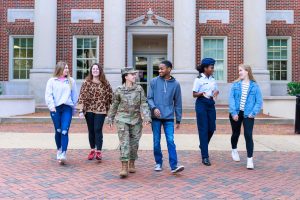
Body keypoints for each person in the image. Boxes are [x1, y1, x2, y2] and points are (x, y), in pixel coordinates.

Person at [107, 67, 151, 178]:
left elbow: (143, 103)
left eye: (135, 74)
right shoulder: (119, 89)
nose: (134, 76)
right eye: (132, 74)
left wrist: (146, 116)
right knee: (124, 142)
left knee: (134, 143)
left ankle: (132, 162)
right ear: (126, 76)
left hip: (136, 119)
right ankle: (124, 166)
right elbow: (114, 104)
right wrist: (110, 117)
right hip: (122, 119)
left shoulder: (139, 89)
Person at [148, 60, 184, 174]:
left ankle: (174, 166)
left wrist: (178, 118)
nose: (160, 71)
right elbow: (149, 98)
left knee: (170, 140)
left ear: (169, 69)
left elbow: (178, 102)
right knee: (156, 141)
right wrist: (154, 108)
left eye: (162, 68)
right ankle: (158, 162)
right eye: (159, 68)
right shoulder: (154, 81)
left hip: (168, 117)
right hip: (156, 117)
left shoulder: (176, 84)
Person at [229, 64, 263, 169]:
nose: (239, 72)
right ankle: (234, 150)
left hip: (249, 114)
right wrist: (234, 113)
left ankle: (250, 160)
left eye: (241, 70)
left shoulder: (255, 86)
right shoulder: (235, 85)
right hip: (236, 112)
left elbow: (259, 101)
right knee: (236, 133)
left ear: (247, 71)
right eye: (239, 71)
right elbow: (231, 100)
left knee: (248, 135)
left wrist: (253, 113)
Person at [77, 63, 113, 161]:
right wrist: (80, 110)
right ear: (91, 71)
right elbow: (81, 96)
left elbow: (111, 97)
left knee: (97, 129)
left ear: (100, 70)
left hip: (101, 109)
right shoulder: (86, 82)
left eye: (97, 69)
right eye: (93, 69)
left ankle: (99, 152)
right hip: (89, 110)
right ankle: (92, 150)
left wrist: (113, 111)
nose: (95, 70)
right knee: (91, 130)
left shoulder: (105, 83)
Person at [45, 61, 78, 165]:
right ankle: (59, 149)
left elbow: (75, 95)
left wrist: (74, 108)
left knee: (64, 130)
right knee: (58, 130)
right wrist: (52, 107)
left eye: (68, 68)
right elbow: (48, 95)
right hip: (56, 109)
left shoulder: (71, 81)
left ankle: (63, 153)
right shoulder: (52, 81)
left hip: (67, 108)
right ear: (59, 69)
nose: (67, 70)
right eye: (65, 68)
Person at [193, 58, 219, 166]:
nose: (213, 69)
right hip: (201, 103)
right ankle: (205, 156)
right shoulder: (198, 79)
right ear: (205, 68)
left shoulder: (212, 79)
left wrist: (216, 91)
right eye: (211, 67)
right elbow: (194, 94)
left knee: (212, 128)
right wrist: (201, 93)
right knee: (203, 129)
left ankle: (203, 145)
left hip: (210, 103)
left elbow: (216, 90)